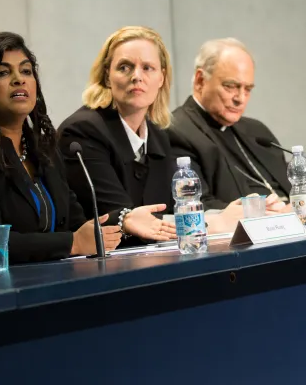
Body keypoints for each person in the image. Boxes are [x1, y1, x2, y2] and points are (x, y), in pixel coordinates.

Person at [0, 32, 123, 274]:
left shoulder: (43, 148)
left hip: (40, 284)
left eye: (26, 71)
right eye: (2, 72)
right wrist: (73, 243)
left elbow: (75, 224)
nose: (19, 80)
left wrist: (124, 221)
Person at [58, 26, 242, 245]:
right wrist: (215, 223)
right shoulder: (82, 132)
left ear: (161, 78)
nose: (137, 76)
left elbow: (172, 208)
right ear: (107, 77)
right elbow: (123, 219)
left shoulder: (157, 135)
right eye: (125, 67)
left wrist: (226, 215)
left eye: (148, 68)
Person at [168, 38, 306, 213]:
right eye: (231, 86)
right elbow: (197, 206)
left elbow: (288, 183)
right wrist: (268, 214)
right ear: (200, 80)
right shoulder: (177, 131)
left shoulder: (256, 131)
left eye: (248, 89)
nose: (240, 99)